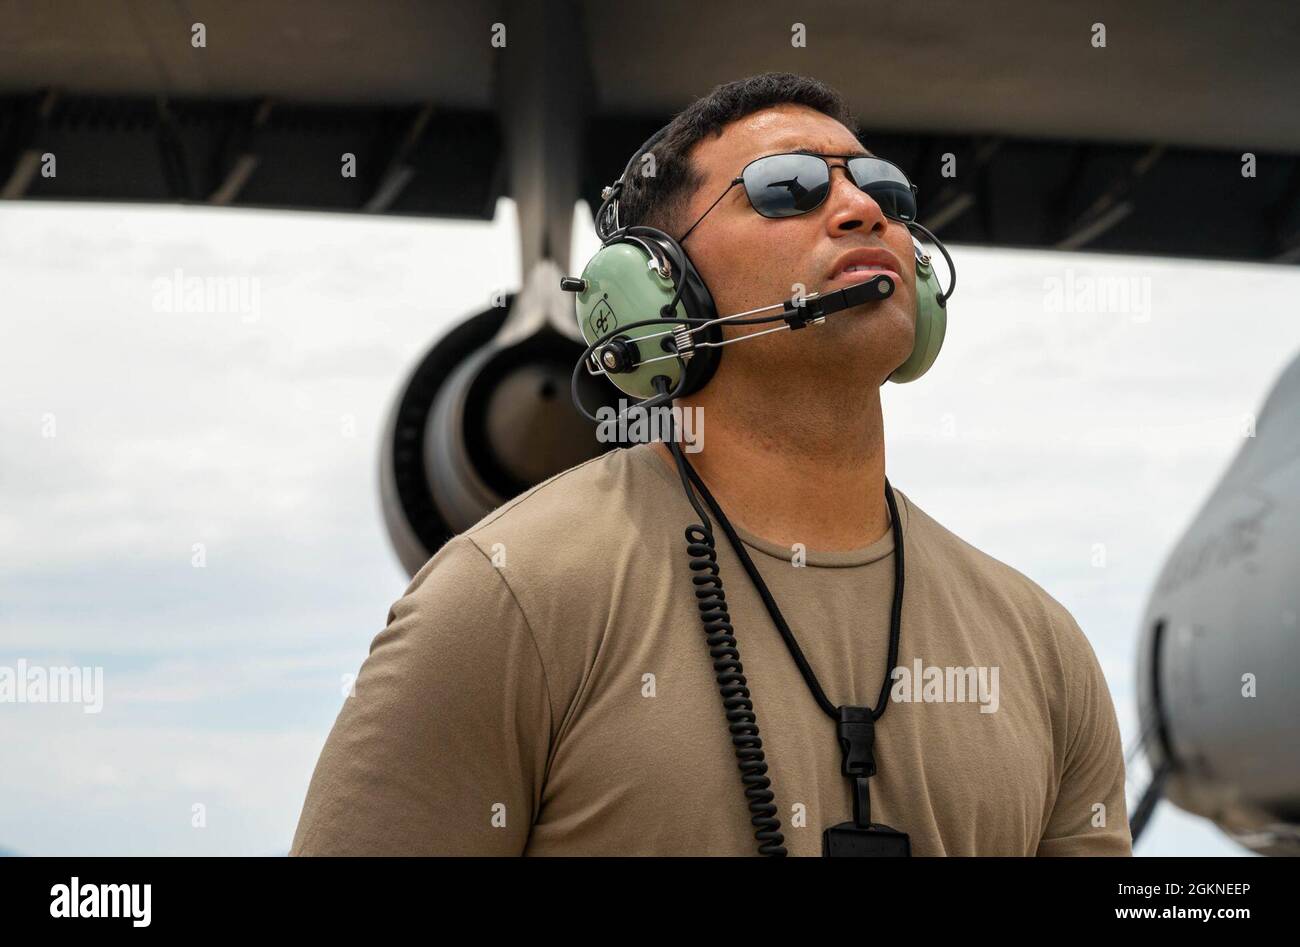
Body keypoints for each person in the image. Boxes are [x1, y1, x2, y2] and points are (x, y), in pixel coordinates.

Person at [290, 72, 1131, 856]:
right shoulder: (506, 600)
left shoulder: (1043, 650)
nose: (861, 211)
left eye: (885, 191)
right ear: (658, 290)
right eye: (787, 189)